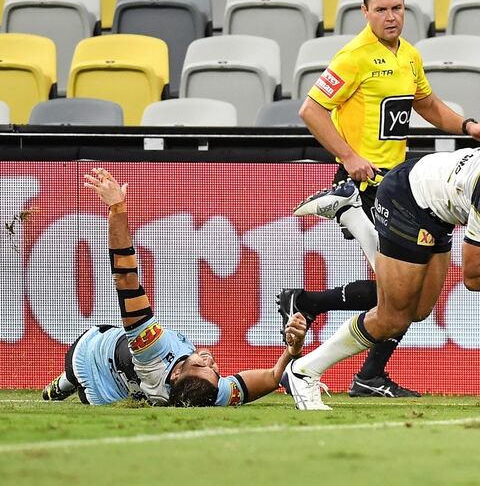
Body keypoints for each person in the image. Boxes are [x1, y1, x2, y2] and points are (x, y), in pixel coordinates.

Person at [286, 0, 480, 398]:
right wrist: (349, 157)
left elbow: (427, 104)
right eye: (382, 9)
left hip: (398, 184)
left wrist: (468, 126)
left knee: (414, 301)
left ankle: (310, 305)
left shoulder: (407, 55)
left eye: (397, 8)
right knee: (400, 297)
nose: (391, 17)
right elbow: (311, 110)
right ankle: (366, 374)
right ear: (364, 11)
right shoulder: (354, 56)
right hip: (363, 185)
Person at [283, 148, 480, 409]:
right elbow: (474, 277)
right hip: (406, 200)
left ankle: (352, 210)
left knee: (417, 312)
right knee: (393, 317)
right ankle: (304, 370)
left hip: (438, 208)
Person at [42, 168, 310, 407]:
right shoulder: (211, 393)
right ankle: (67, 384)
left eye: (199, 365)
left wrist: (117, 209)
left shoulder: (151, 350)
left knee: (73, 375)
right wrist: (294, 352)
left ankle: (64, 382)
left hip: (89, 355)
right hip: (110, 395)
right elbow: (274, 376)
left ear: (175, 374)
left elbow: (125, 280)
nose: (209, 361)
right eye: (214, 369)